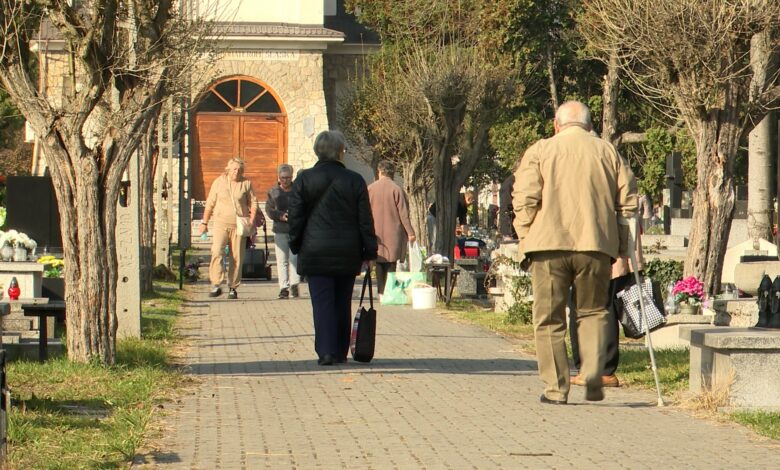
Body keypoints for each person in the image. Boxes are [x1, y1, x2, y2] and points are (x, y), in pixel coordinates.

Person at [513, 100, 637, 405]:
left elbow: (524, 198)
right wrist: (621, 246)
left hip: (548, 246)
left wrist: (525, 234)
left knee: (549, 319)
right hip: (595, 246)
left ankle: (556, 389)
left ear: (557, 125)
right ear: (590, 125)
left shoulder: (540, 150)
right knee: (593, 313)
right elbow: (627, 203)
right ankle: (593, 377)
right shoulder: (608, 151)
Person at [288, 130, 378, 366]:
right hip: (347, 250)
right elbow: (365, 220)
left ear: (317, 151)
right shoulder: (355, 179)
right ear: (340, 152)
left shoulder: (304, 179)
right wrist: (370, 252)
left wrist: (295, 244)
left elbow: (296, 218)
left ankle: (326, 351)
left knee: (322, 302)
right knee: (342, 300)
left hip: (315, 249)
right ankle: (340, 350)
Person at [568, 231, 644, 388]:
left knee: (605, 306)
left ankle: (605, 371)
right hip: (586, 248)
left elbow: (627, 210)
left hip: (607, 247)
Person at [199, 157, 258, 300]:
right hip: (220, 223)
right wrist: (204, 222)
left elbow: (253, 203)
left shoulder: (246, 184)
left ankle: (233, 286)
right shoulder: (218, 182)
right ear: (228, 169)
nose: (236, 172)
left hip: (238, 225)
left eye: (239, 169)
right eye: (234, 169)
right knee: (217, 251)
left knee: (237, 257)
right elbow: (210, 204)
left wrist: (251, 221)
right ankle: (216, 283)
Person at [368, 160, 416, 297]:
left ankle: (380, 291)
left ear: (379, 171)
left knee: (378, 262)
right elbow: (404, 214)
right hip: (393, 233)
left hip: (375, 232)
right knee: (391, 263)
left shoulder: (370, 189)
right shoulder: (397, 189)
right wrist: (410, 232)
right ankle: (390, 291)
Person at [267, 164, 301, 299]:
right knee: (282, 260)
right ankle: (283, 288)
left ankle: (294, 284)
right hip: (280, 230)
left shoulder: (297, 190)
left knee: (294, 258)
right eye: (282, 178)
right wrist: (280, 216)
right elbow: (269, 210)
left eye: (288, 177)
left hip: (295, 229)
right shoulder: (273, 191)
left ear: (292, 177)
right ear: (278, 177)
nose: (285, 180)